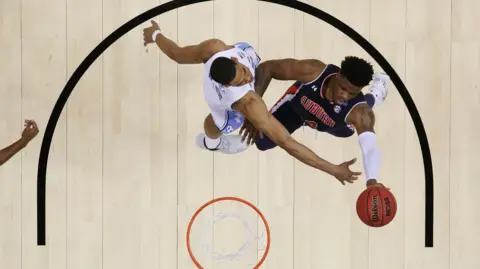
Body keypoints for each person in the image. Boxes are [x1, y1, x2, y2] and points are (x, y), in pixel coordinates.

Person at [142, 20, 361, 185]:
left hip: (229, 74)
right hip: (224, 105)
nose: (248, 78)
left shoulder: (214, 47)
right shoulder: (246, 102)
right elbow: (287, 142)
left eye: (245, 72)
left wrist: (156, 34)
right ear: (229, 86)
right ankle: (212, 144)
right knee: (215, 125)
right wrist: (332, 169)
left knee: (250, 59)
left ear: (234, 59)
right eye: (243, 81)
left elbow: (177, 54)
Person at [239, 57, 390, 188]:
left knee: (351, 127)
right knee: (262, 142)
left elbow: (369, 148)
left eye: (353, 93)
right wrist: (254, 109)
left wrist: (372, 180)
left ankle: (374, 96)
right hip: (295, 109)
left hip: (334, 125)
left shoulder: (359, 112)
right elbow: (267, 68)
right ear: (338, 75)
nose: (345, 96)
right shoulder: (313, 71)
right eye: (343, 88)